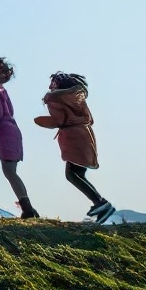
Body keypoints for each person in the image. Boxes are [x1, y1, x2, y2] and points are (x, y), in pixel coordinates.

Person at [34, 72, 115, 224]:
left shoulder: (56, 99)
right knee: (78, 173)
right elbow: (89, 119)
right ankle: (100, 206)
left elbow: (58, 120)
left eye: (53, 83)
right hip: (85, 135)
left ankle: (100, 203)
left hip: (74, 138)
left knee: (71, 174)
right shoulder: (76, 99)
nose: (50, 87)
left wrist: (41, 121)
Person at [0, 57, 38, 218]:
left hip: (4, 133)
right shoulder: (2, 91)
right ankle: (27, 206)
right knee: (11, 171)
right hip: (12, 131)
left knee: (9, 171)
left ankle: (27, 207)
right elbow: (9, 112)